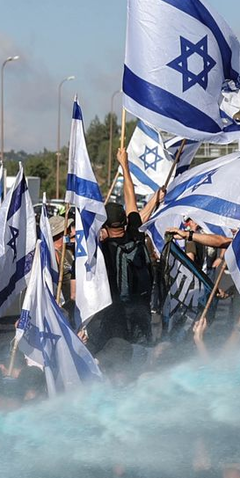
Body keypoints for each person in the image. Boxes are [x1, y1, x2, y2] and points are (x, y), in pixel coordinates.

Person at [90, 148, 154, 347]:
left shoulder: (102, 247)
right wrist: (125, 166)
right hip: (141, 306)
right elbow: (130, 198)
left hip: (115, 310)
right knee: (142, 350)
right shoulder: (135, 234)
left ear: (105, 225)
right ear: (125, 222)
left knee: (117, 354)